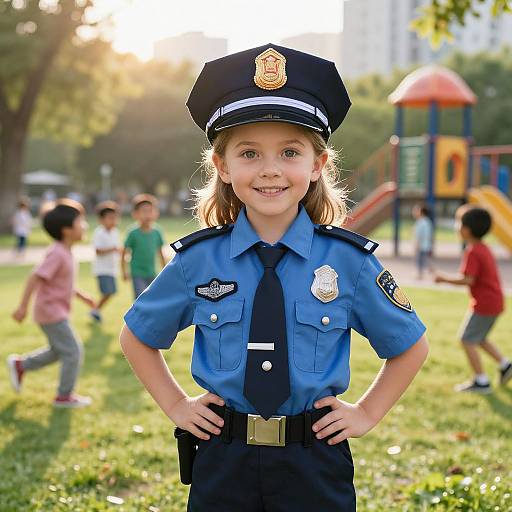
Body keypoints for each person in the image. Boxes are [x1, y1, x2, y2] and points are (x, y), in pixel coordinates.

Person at [119, 44, 429, 511]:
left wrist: (366, 412)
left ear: (317, 164)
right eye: (249, 153)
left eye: (289, 151)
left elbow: (410, 346)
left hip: (315, 459)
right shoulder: (197, 260)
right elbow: (136, 336)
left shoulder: (349, 261)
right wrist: (178, 407)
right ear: (222, 166)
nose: (270, 169)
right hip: (223, 455)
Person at [8, 199, 95, 408]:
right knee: (73, 351)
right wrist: (22, 307)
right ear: (66, 230)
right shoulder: (57, 253)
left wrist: (82, 296)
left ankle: (21, 365)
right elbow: (35, 277)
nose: (85, 226)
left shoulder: (65, 251)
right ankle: (63, 396)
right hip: (50, 312)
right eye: (80, 222)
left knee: (59, 350)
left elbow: (62, 283)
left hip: (53, 311)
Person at [434, 205, 511, 393]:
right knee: (480, 338)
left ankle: (481, 382)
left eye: (458, 222)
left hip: (485, 304)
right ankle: (505, 365)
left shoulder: (473, 251)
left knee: (467, 339)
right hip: (494, 302)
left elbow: (468, 279)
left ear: (466, 229)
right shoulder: (483, 248)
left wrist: (443, 278)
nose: (456, 226)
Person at [121, 193, 166, 299]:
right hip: (137, 273)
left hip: (152, 273)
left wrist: (164, 271)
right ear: (135, 214)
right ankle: (137, 316)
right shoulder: (133, 233)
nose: (148, 215)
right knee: (140, 298)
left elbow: (160, 253)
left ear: (156, 213)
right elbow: (124, 253)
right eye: (144, 211)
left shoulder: (157, 232)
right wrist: (124, 271)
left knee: (153, 298)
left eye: (150, 211)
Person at [90, 200, 121, 322]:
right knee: (108, 291)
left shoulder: (115, 232)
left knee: (111, 292)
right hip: (102, 269)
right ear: (101, 220)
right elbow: (98, 251)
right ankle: (95, 309)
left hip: (112, 268)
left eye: (115, 218)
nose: (113, 221)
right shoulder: (99, 233)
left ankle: (95, 309)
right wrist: (112, 249)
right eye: (110, 218)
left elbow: (117, 248)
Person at [412, 203, 433, 280]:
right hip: (426, 245)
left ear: (421, 212)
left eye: (416, 210)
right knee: (425, 260)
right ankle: (431, 272)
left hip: (421, 245)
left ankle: (421, 275)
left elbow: (419, 236)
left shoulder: (421, 222)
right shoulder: (427, 221)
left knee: (421, 261)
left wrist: (416, 245)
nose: (414, 212)